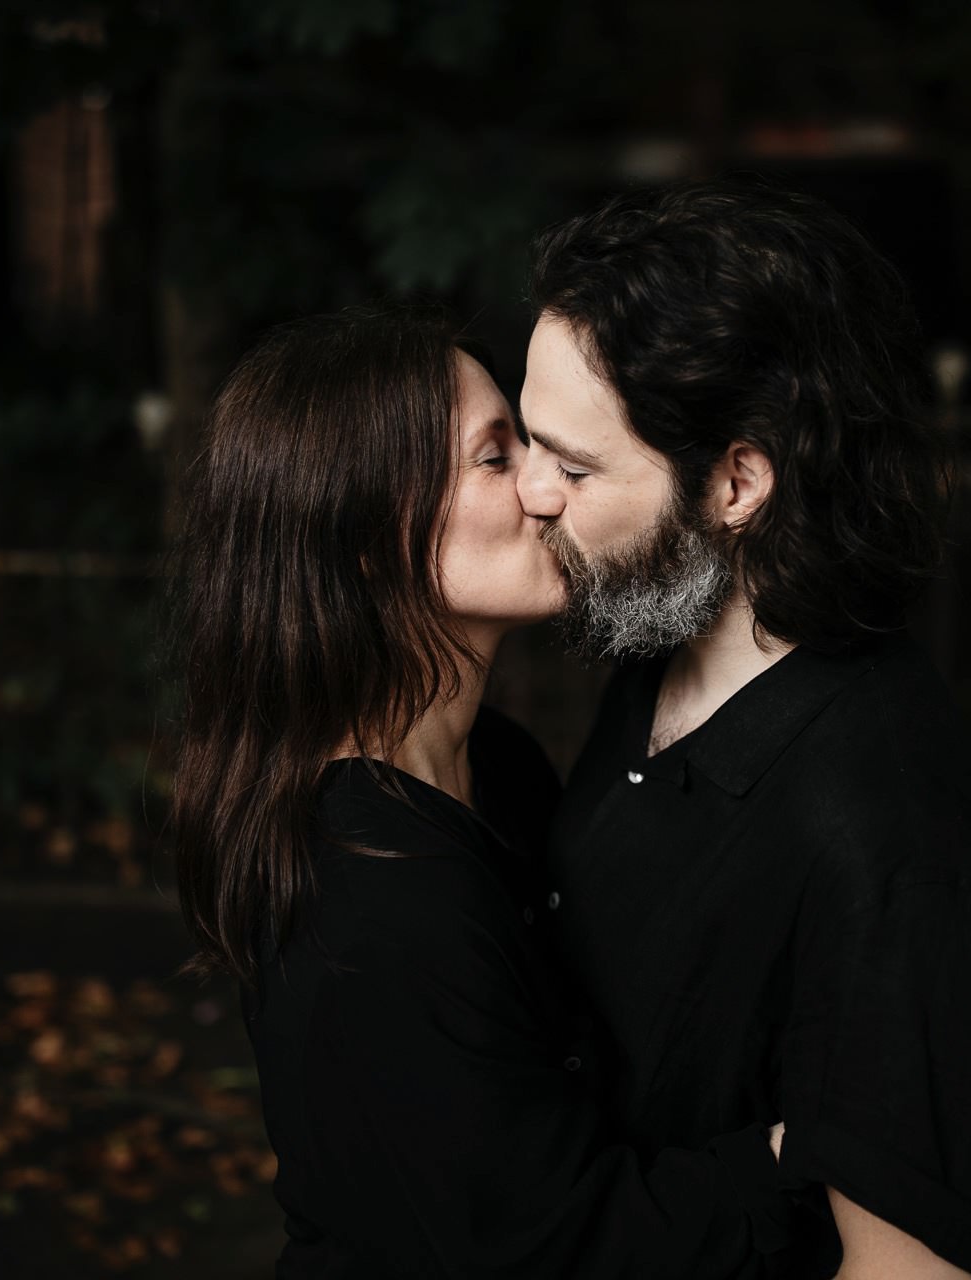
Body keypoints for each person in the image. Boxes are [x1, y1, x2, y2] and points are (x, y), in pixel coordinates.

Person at [164, 306, 793, 1278]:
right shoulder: (369, 896)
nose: (548, 487)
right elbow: (555, 1246)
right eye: (496, 457)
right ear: (369, 535)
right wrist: (805, 1157)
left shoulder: (492, 764)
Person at [516, 178, 971, 1280]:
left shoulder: (886, 836)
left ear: (738, 482)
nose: (528, 491)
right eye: (528, 443)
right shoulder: (663, 642)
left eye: (572, 465)